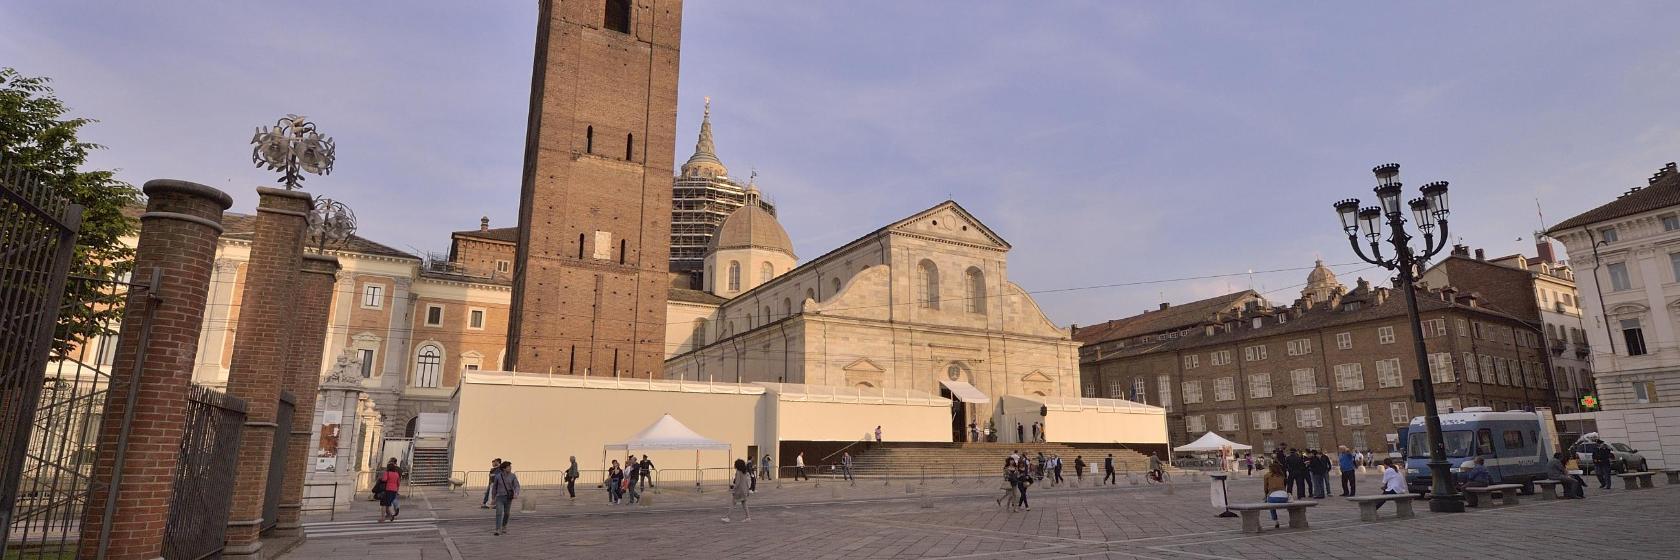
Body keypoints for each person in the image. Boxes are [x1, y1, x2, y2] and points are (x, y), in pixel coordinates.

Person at [491, 461, 520, 535]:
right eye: (508, 467)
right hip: (499, 497)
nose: (510, 468)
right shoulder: (498, 476)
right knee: (499, 512)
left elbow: (517, 485)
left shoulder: (513, 476)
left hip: (508, 498)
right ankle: (497, 529)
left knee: (507, 513)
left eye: (510, 467)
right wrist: (493, 498)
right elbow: (494, 488)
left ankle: (504, 526)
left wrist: (516, 493)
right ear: (504, 469)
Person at [723, 458, 753, 522]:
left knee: (733, 503)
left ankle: (728, 517)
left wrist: (733, 489)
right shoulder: (745, 472)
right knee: (744, 503)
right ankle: (748, 517)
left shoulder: (738, 472)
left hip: (739, 491)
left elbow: (737, 483)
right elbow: (746, 482)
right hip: (744, 490)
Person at [1262, 461, 1289, 529]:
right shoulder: (1282, 475)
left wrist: (1266, 496)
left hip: (1274, 496)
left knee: (1270, 505)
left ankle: (1276, 521)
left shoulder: (1267, 475)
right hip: (1284, 496)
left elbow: (1265, 488)